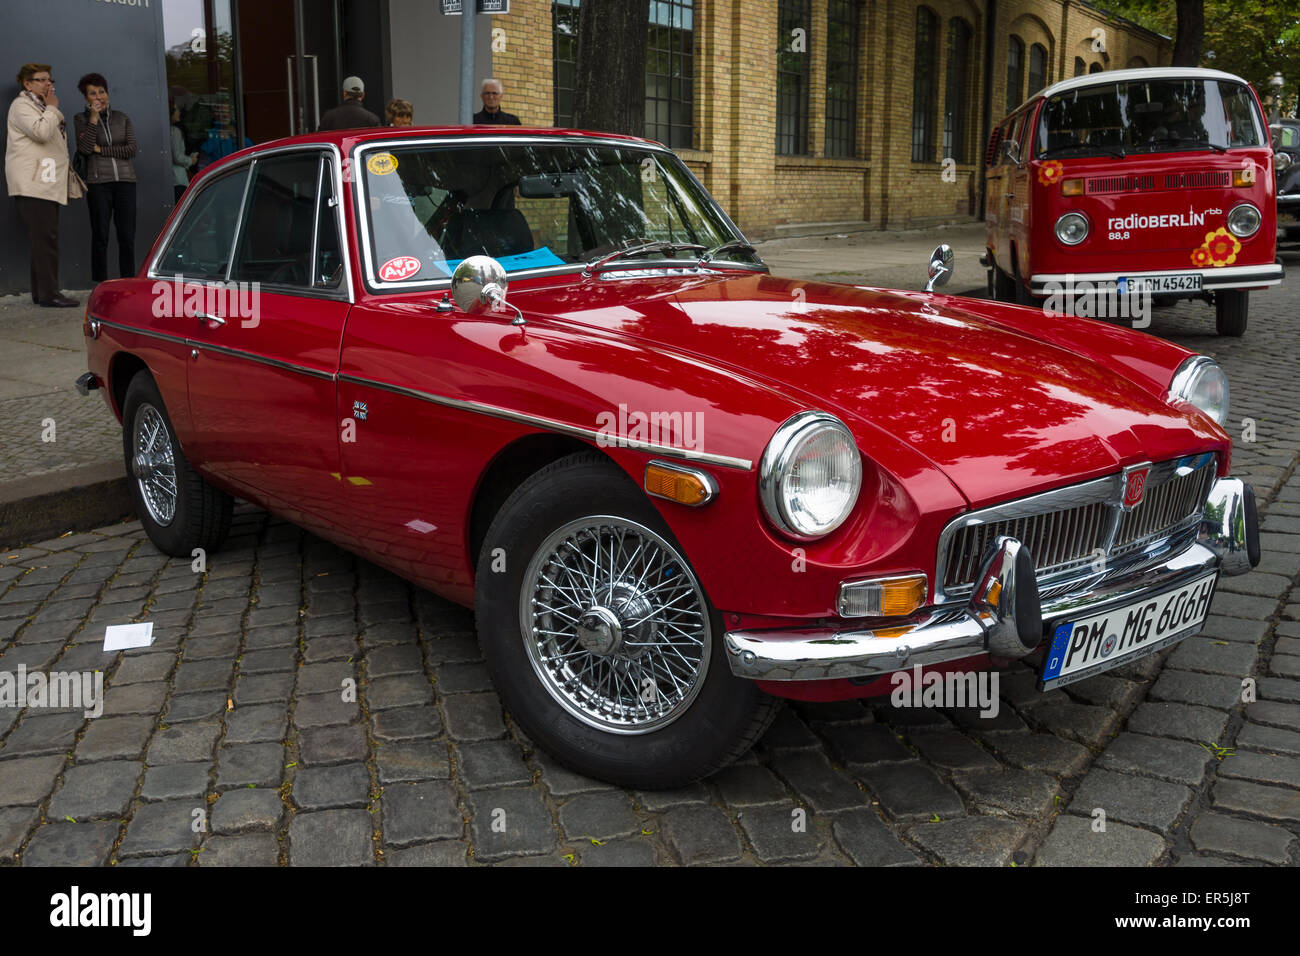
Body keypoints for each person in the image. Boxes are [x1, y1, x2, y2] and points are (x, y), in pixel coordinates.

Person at [5, 63, 77, 307]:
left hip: (44, 182)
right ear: (27, 83)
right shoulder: (21, 106)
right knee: (45, 239)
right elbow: (41, 132)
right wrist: (54, 109)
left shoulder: (38, 106)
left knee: (43, 239)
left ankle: (42, 292)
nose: (49, 84)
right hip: (33, 183)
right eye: (42, 79)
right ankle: (49, 294)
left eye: (50, 79)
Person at [74, 73, 138, 282]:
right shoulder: (81, 119)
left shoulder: (122, 117)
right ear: (86, 99)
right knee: (101, 236)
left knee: (126, 236)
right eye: (93, 93)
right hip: (98, 183)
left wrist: (101, 149)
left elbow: (131, 149)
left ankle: (128, 281)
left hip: (126, 182)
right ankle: (100, 282)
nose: (99, 96)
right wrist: (93, 119)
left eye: (102, 91)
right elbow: (84, 148)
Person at [169, 99, 197, 203]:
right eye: (176, 109)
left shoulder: (165, 130)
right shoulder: (174, 131)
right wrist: (191, 160)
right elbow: (177, 157)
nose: (179, 112)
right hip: (178, 179)